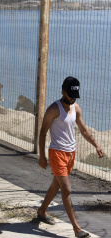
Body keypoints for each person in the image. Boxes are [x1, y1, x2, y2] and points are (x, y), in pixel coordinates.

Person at [37, 77, 105, 238]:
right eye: (70, 94)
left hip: (71, 154)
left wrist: (96, 145)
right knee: (66, 189)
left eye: (75, 94)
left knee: (56, 185)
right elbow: (42, 132)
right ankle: (77, 229)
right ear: (63, 91)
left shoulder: (76, 108)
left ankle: (41, 211)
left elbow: (83, 130)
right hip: (56, 153)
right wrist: (42, 156)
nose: (73, 97)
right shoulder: (54, 109)